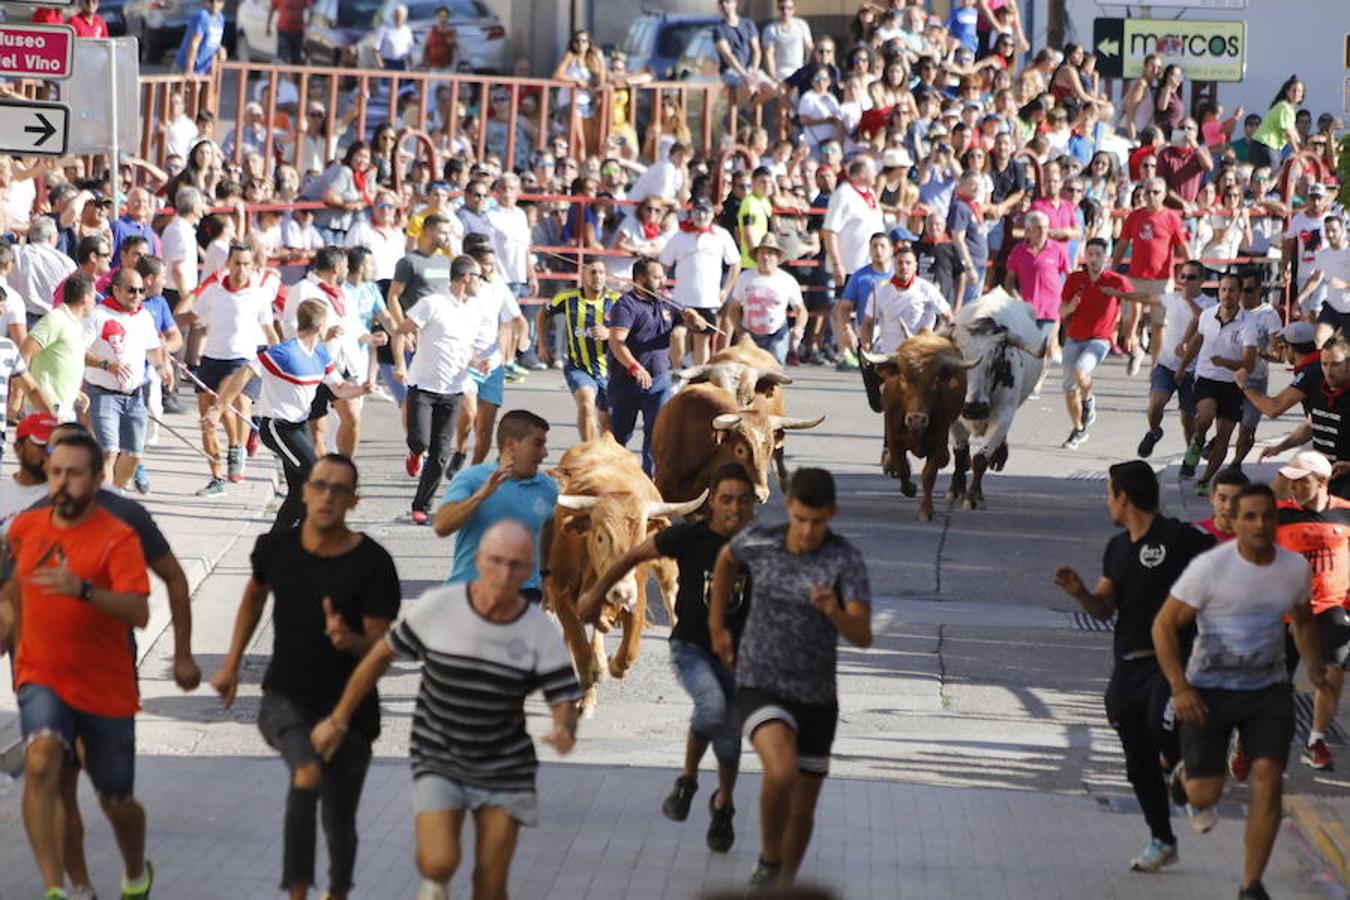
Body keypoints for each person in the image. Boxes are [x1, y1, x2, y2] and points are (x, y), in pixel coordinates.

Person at [310, 520, 581, 900]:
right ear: (479, 560)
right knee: (438, 862)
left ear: (529, 571)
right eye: (497, 561)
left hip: (505, 765)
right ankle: (435, 885)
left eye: (517, 565)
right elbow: (381, 656)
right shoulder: (440, 608)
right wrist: (338, 719)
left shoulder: (538, 630)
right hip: (439, 755)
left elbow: (563, 694)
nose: (505, 574)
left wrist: (564, 727)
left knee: (491, 881)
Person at [209, 454, 400, 900]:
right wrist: (232, 663)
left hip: (352, 708)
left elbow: (380, 650)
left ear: (353, 500)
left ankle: (337, 891)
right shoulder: (275, 549)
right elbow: (254, 596)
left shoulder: (373, 563)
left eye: (339, 489)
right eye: (320, 485)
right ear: (305, 491)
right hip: (285, 699)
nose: (327, 496)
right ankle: (297, 892)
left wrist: (350, 642)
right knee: (308, 774)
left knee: (339, 819)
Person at [1, 432, 155, 900]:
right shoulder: (25, 529)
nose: (61, 483)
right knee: (43, 761)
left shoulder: (118, 536)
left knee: (116, 800)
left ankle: (135, 871)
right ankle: (61, 888)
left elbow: (139, 612)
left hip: (105, 685)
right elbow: (11, 596)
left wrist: (84, 591)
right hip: (40, 674)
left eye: (73, 474)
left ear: (97, 479)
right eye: (55, 473)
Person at [1153, 483, 1324, 900]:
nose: (1261, 524)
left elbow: (1301, 620)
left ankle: (1251, 885)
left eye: (1268, 516)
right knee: (1205, 793)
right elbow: (1163, 626)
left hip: (1268, 690)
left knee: (1268, 779)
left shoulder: (1294, 569)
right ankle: (1184, 776)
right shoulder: (1210, 568)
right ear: (1235, 520)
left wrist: (1315, 664)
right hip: (1209, 689)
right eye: (1250, 516)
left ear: (1276, 519)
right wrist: (1179, 687)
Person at [579, 462, 755, 851]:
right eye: (725, 499)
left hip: (739, 658)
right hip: (691, 649)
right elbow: (630, 558)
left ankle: (724, 805)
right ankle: (688, 781)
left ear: (753, 505)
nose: (734, 509)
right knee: (712, 706)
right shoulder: (689, 538)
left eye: (743, 501)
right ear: (712, 503)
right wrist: (594, 594)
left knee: (728, 735)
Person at [709, 468, 872, 888]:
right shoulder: (761, 542)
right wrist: (717, 626)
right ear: (789, 508)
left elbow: (863, 635)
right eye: (800, 519)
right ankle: (768, 859)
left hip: (817, 696)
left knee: (802, 807)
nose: (807, 531)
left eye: (817, 522)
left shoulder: (844, 560)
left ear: (831, 515)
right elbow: (727, 561)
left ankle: (784, 884)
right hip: (761, 682)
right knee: (779, 772)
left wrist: (832, 611)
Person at [1053, 461, 1214, 873]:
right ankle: (1162, 838)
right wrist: (1081, 594)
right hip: (1128, 667)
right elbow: (1104, 609)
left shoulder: (1180, 539)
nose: (1108, 502)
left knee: (1164, 723)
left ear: (1123, 497)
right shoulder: (1117, 548)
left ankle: (1190, 780)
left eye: (1109, 493)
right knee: (1137, 762)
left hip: (1173, 663)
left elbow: (1220, 573)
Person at [208, 299, 371, 532]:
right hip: (277, 427)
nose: (328, 329)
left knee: (299, 491)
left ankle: (280, 546)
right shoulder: (284, 353)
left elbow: (340, 388)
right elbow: (244, 373)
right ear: (318, 326)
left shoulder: (320, 354)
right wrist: (218, 409)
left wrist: (361, 389)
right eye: (326, 324)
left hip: (298, 427)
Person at [178, 243, 279, 495]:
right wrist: (163, 325)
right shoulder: (212, 291)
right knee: (207, 421)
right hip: (211, 359)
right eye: (237, 263)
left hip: (243, 361)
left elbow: (270, 333)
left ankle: (237, 448)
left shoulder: (259, 296)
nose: (241, 269)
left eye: (246, 264)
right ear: (228, 264)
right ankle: (217, 478)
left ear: (253, 266)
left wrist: (279, 363)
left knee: (233, 404)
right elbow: (189, 318)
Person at [1272, 451, 1350, 771]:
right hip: (1285, 611)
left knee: (1334, 669)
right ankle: (1247, 741)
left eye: (1300, 481)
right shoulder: (1278, 514)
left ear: (1322, 481)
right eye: (1289, 480)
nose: (1293, 487)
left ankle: (1316, 740)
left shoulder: (1346, 514)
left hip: (1330, 606)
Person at [433, 409, 556, 605]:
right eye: (537, 444)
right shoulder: (471, 478)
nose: (545, 453)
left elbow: (548, 526)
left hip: (525, 595)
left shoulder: (548, 488)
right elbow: (441, 525)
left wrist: (545, 574)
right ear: (511, 445)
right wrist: (481, 495)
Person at [401, 255, 488, 525]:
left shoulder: (474, 310)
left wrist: (476, 362)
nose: (481, 283)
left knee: (440, 453)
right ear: (466, 277)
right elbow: (403, 328)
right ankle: (415, 453)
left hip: (454, 389)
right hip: (423, 386)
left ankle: (421, 506)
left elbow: (467, 348)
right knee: (420, 441)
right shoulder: (432, 303)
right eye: (479, 277)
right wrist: (404, 346)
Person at [606, 257, 708, 475]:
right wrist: (634, 367)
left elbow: (701, 327)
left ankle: (650, 479)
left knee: (656, 436)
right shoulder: (626, 305)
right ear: (641, 279)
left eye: (663, 275)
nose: (663, 280)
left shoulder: (667, 302)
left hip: (660, 380)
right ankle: (613, 475)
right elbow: (616, 341)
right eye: (657, 276)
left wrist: (694, 319)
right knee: (620, 436)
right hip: (627, 380)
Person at [1108, 259, 1215, 457]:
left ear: (1202, 280)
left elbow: (1203, 319)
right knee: (1156, 404)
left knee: (1188, 420)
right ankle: (1154, 431)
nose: (1185, 281)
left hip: (1193, 370)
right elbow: (1147, 297)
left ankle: (1190, 457)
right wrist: (1120, 294)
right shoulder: (1172, 298)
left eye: (1191, 277)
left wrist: (1189, 300)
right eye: (1182, 277)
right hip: (1166, 365)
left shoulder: (1210, 303)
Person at [82, 268, 162, 492]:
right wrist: (107, 365)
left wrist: (162, 368)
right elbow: (78, 350)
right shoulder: (98, 314)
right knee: (109, 451)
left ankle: (115, 493)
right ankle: (105, 503)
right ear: (116, 289)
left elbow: (154, 349)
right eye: (131, 290)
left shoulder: (144, 316)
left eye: (141, 290)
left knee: (135, 455)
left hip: (134, 394)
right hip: (103, 393)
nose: (137, 295)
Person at [1241, 335, 1350, 497]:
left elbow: (1273, 408)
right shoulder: (1321, 390)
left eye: (1335, 364)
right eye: (1324, 364)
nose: (1329, 371)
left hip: (1344, 479)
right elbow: (1310, 425)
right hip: (1320, 472)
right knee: (1277, 490)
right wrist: (1281, 447)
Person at [1058, 238, 1131, 449]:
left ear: (1105, 258)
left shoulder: (1115, 280)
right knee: (1069, 389)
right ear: (1085, 256)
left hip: (1100, 339)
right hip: (1074, 337)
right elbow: (1061, 311)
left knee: (1081, 371)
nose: (1093, 258)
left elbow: (1132, 301)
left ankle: (1088, 401)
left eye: (1098, 254)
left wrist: (1129, 331)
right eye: (1090, 254)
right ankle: (1079, 430)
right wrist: (1071, 306)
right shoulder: (1075, 279)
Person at [1177, 273, 1247, 490]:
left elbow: (1249, 357)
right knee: (1205, 415)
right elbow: (1198, 340)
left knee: (1224, 435)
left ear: (1240, 293)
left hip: (1233, 383)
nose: (1227, 294)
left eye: (1232, 290)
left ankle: (1206, 479)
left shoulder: (1248, 323)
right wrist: (1182, 366)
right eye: (1223, 290)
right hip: (1207, 377)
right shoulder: (1207, 315)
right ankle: (1198, 440)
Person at [1112, 177, 1188, 374]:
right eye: (1148, 192)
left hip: (1162, 279)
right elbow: (1122, 243)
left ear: (1163, 195)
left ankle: (1156, 366)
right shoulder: (1134, 216)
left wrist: (1190, 271)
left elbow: (1182, 246)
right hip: (1136, 276)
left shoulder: (1171, 217)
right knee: (1128, 321)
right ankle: (1135, 350)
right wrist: (1113, 269)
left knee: (1159, 323)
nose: (1151, 196)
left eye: (1156, 192)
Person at [539, 259, 619, 442]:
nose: (597, 277)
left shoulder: (616, 300)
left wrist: (610, 333)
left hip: (609, 370)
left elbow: (631, 328)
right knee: (585, 402)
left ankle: (605, 458)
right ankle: (587, 451)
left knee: (607, 421)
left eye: (601, 272)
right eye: (592, 272)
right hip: (578, 366)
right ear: (582, 275)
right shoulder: (568, 298)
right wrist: (542, 345)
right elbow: (542, 313)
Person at [659, 197, 741, 367]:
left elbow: (735, 263)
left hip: (708, 299)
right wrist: (662, 286)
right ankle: (676, 372)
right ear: (691, 213)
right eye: (697, 211)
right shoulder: (679, 236)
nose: (701, 215)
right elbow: (664, 264)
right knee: (677, 335)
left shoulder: (721, 235)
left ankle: (698, 377)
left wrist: (725, 289)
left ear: (712, 214)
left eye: (705, 211)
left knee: (702, 340)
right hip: (681, 300)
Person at [22, 272, 96, 421]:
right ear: (85, 298)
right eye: (94, 297)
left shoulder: (74, 323)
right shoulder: (56, 319)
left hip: (63, 407)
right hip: (46, 407)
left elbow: (61, 361)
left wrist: (75, 392)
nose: (95, 302)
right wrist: (18, 395)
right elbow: (25, 350)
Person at [1231, 269, 1284, 471]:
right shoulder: (1229, 310)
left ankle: (1235, 464)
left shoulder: (1268, 315)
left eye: (1249, 289)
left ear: (1259, 290)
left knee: (1246, 430)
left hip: (1255, 380)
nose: (1244, 294)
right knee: (1222, 425)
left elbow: (1279, 355)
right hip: (1230, 377)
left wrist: (1257, 351)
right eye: (1240, 290)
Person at [726, 236, 807, 366]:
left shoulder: (787, 280)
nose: (766, 257)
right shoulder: (745, 277)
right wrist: (740, 331)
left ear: (777, 258)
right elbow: (733, 308)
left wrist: (799, 327)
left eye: (770, 253)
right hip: (750, 333)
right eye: (762, 253)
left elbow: (801, 310)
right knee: (749, 371)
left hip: (777, 333)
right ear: (756, 256)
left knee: (774, 370)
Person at [860, 242, 951, 356]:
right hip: (889, 356)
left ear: (915, 266)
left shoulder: (927, 289)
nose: (904, 267)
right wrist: (866, 346)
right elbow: (868, 323)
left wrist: (934, 339)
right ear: (894, 265)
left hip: (920, 356)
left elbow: (949, 319)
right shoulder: (880, 291)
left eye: (908, 263)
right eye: (900, 263)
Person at [833, 232, 892, 367]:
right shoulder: (859, 277)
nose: (878, 250)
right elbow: (844, 308)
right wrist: (847, 330)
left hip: (894, 334)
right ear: (869, 250)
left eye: (883, 246)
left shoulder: (899, 274)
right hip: (868, 331)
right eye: (874, 246)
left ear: (891, 250)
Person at [1296, 214, 1350, 347]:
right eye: (1327, 231)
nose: (1330, 234)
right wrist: (1299, 299)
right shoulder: (1322, 254)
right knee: (1319, 339)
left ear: (1343, 230)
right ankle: (1321, 367)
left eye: (1334, 230)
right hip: (1331, 307)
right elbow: (1316, 278)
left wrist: (1344, 284)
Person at [1248, 76, 1304, 170]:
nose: (1296, 93)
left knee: (1264, 176)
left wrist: (1303, 147)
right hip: (1266, 145)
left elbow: (1293, 132)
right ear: (1287, 91)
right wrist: (1299, 155)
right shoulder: (1285, 107)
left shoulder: (1287, 108)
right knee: (1270, 177)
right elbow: (1289, 134)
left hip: (1261, 146)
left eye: (1299, 91)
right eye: (1293, 90)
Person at [174, 0, 227, 77]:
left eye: (219, 1)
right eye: (211, 1)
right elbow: (194, 43)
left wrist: (220, 49)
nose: (215, 4)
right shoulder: (202, 16)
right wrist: (189, 70)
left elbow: (215, 40)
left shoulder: (220, 18)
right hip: (184, 67)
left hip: (203, 70)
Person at [1195, 467, 1249, 542]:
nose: (1228, 507)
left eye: (1236, 500)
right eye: (1222, 499)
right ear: (1212, 498)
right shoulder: (1195, 534)